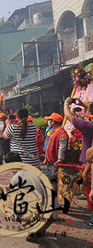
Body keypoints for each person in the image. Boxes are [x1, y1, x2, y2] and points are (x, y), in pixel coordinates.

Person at [63, 97, 93, 227]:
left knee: (91, 192)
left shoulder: (88, 126)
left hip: (90, 163)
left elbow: (69, 116)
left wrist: (66, 103)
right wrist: (83, 105)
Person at [41, 113, 68, 192]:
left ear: (53, 122)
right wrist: (46, 158)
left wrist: (60, 159)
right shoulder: (53, 131)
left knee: (54, 180)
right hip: (50, 160)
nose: (48, 121)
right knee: (51, 178)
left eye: (50, 120)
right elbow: (49, 145)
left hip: (56, 161)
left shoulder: (62, 133)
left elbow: (62, 147)